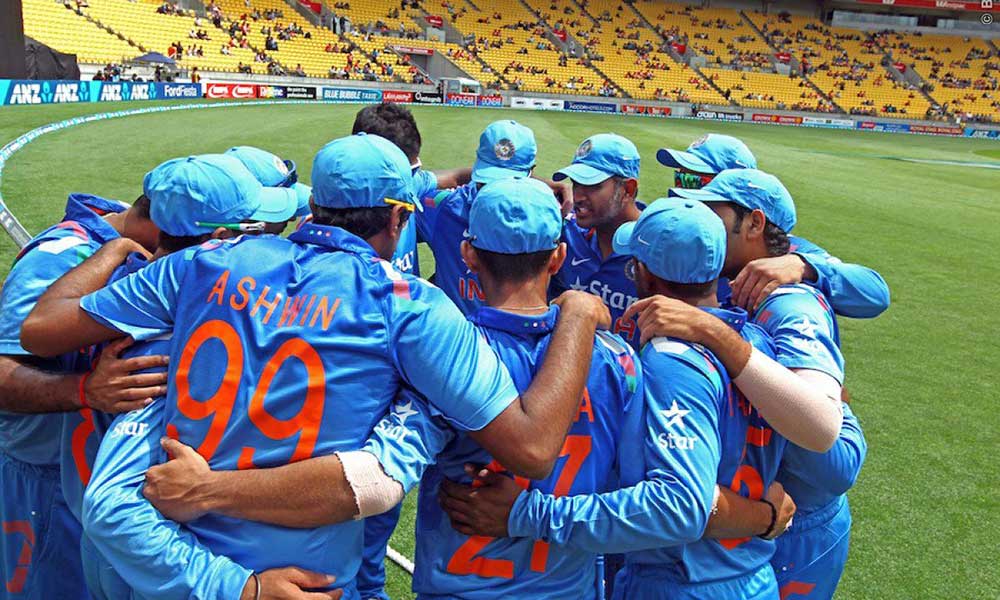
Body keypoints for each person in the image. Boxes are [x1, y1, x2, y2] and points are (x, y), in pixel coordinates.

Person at [23, 134, 608, 598]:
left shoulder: (204, 261)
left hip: (169, 564)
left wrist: (113, 248)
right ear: (397, 220)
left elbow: (42, 327)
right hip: (300, 581)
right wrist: (578, 315)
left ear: (314, 205)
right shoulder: (409, 306)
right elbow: (532, 448)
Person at [439, 200, 803, 599]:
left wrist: (527, 514)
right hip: (753, 576)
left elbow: (681, 504)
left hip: (679, 583)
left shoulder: (666, 360)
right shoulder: (756, 347)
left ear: (643, 274)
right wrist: (765, 516)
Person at [66, 155, 337, 600]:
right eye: (259, 228)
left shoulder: (134, 291)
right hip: (148, 572)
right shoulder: (169, 340)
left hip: (134, 561)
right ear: (218, 242)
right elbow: (113, 506)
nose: (277, 239)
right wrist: (242, 588)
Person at [665, 169, 867, 600]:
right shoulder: (726, 279)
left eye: (712, 212)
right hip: (750, 518)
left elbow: (835, 464)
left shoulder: (789, 302)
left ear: (754, 224)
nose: (699, 221)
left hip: (795, 524)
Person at [0, 192, 162, 599]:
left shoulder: (127, 237)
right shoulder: (58, 259)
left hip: (93, 479)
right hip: (47, 482)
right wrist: (85, 390)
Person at [656, 134, 890, 318]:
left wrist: (804, 267)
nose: (685, 194)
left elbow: (875, 293)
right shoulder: (685, 237)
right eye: (680, 178)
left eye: (695, 181)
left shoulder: (788, 253)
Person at [417, 120, 537, 314]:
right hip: (457, 332)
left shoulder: (548, 218)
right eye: (487, 182)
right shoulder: (445, 208)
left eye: (507, 183)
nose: (494, 192)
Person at [350, 102, 472, 277]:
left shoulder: (412, 182)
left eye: (415, 170)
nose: (413, 177)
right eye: (408, 171)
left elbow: (455, 177)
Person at [547, 134, 643, 349]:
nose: (578, 196)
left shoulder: (658, 248)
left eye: (592, 186)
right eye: (576, 184)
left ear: (627, 190)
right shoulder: (567, 233)